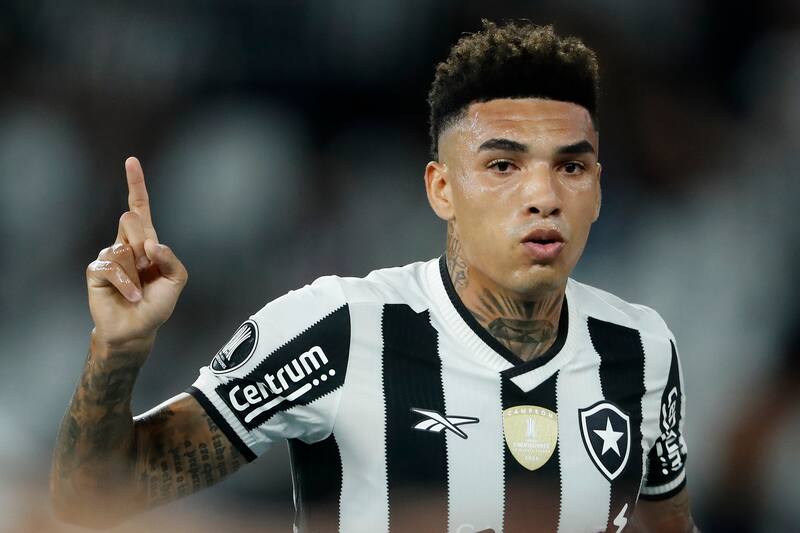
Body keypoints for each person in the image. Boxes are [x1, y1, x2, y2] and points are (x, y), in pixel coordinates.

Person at [50, 20, 699, 532]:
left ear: (597, 188)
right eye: (504, 166)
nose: (543, 197)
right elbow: (90, 497)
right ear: (441, 189)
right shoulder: (337, 329)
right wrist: (118, 347)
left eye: (571, 167)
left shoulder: (642, 348)